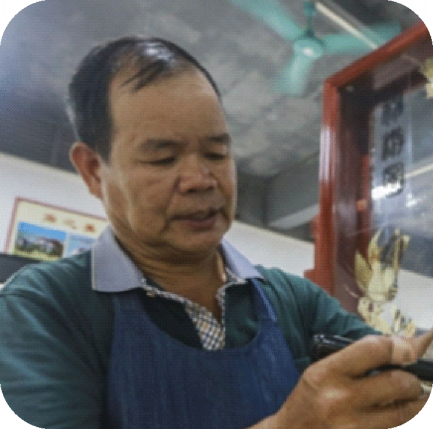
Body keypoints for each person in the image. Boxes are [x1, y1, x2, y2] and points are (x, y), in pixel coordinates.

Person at [0, 36, 431, 429]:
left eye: (216, 152)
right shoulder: (41, 310)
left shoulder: (293, 300)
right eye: (163, 158)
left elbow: (397, 363)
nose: (200, 179)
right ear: (94, 170)